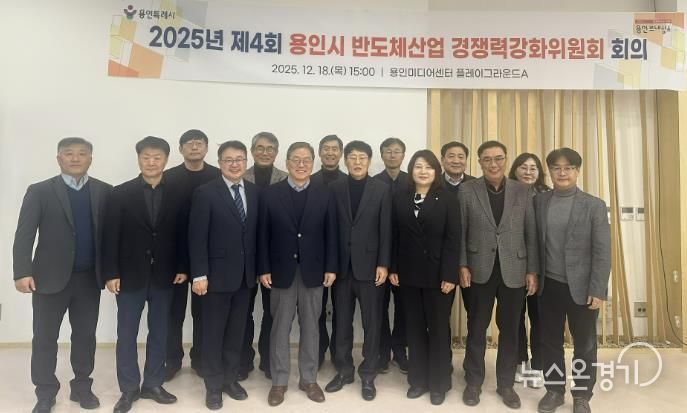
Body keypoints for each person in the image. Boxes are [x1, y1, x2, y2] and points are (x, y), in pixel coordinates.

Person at [13, 137, 111, 413]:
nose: (75, 158)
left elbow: (112, 235)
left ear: (90, 159)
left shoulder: (104, 191)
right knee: (45, 338)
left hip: (88, 279)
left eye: (82, 154)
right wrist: (22, 272)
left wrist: (112, 272)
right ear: (59, 159)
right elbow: (24, 235)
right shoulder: (40, 191)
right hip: (48, 279)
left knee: (85, 337)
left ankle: (82, 388)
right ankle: (45, 392)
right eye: (69, 154)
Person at [104, 136, 188, 413]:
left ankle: (153, 383)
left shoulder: (178, 192)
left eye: (157, 157)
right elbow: (110, 235)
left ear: (166, 160)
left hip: (166, 275)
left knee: (160, 331)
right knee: (127, 334)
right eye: (146, 157)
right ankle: (129, 388)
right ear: (138, 159)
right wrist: (111, 272)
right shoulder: (120, 193)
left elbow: (183, 234)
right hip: (129, 276)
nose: (151, 162)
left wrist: (183, 266)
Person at [459, 140, 539, 409]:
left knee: (510, 330)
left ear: (506, 160)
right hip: (478, 269)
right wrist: (462, 265)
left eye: (498, 158)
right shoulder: (467, 190)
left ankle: (506, 384)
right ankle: (473, 381)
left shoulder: (523, 190)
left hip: (514, 269)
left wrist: (532, 270)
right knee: (476, 327)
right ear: (479, 162)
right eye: (487, 159)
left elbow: (530, 233)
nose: (493, 164)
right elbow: (460, 231)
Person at [257, 142, 338, 407]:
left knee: (312, 327)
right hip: (280, 271)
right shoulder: (270, 194)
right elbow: (262, 235)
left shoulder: (325, 194)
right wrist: (263, 268)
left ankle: (309, 379)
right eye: (295, 159)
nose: (301, 164)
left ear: (313, 163)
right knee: (279, 327)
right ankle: (279, 381)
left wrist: (331, 266)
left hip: (314, 271)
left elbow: (332, 234)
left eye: (306, 160)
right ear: (287, 162)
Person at [535, 148, 610, 413]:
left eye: (568, 168)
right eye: (556, 168)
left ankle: (581, 395)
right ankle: (554, 391)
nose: (562, 172)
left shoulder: (594, 205)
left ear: (577, 171)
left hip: (583, 287)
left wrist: (598, 289)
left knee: (585, 345)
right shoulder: (540, 202)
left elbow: (602, 251)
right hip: (548, 285)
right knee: (550, 342)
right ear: (550, 172)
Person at [188, 141, 258, 410]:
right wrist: (199, 274)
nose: (235, 164)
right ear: (219, 163)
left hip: (245, 277)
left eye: (239, 159)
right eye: (229, 160)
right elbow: (197, 237)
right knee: (213, 334)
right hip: (214, 278)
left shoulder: (254, 191)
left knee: (236, 332)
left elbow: (254, 233)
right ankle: (213, 386)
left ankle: (230, 379)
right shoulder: (205, 193)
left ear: (246, 162)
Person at [389, 150, 460, 406]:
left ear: (436, 171)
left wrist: (450, 274)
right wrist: (393, 268)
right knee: (414, 328)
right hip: (408, 274)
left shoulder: (448, 198)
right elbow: (394, 236)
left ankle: (439, 383)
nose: (423, 171)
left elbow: (453, 239)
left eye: (428, 167)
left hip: (439, 276)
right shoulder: (400, 197)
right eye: (418, 166)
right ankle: (417, 380)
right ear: (411, 170)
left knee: (438, 329)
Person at [325, 141, 392, 401]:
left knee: (372, 324)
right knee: (341, 322)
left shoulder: (381, 189)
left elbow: (386, 229)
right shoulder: (335, 188)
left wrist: (383, 263)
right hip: (341, 269)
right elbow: (330, 230)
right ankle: (344, 371)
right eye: (352, 157)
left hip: (371, 267)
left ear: (369, 161)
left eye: (362, 157)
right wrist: (331, 266)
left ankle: (368, 374)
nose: (357, 162)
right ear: (345, 160)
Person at [164, 129, 220, 381]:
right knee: (173, 312)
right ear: (180, 149)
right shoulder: (168, 177)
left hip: (207, 257)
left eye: (199, 143)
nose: (194, 147)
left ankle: (200, 359)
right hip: (174, 255)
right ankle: (172, 360)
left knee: (204, 313)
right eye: (189, 143)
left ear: (206, 148)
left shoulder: (217, 176)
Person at [240, 131, 288, 381]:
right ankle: (243, 360)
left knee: (273, 312)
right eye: (260, 147)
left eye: (270, 148)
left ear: (277, 152)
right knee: (243, 311)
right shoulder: (238, 175)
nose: (265, 152)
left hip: (275, 256)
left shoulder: (287, 179)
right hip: (244, 256)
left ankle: (270, 360)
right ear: (252, 151)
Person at [508, 153, 551, 388]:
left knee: (540, 318)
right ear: (514, 170)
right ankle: (519, 362)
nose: (528, 171)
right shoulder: (506, 193)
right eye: (523, 167)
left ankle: (539, 365)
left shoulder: (548, 196)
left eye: (533, 168)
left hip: (543, 266)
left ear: (539, 172)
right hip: (512, 264)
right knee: (515, 317)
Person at [373, 137, 409, 374]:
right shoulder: (374, 183)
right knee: (379, 306)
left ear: (403, 155)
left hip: (406, 255)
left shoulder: (413, 181)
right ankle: (383, 352)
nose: (392, 155)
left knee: (404, 307)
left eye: (397, 151)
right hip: (379, 256)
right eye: (388, 151)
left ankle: (400, 350)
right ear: (382, 155)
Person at [310, 134, 345, 366]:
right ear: (319, 153)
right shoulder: (308, 180)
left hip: (345, 256)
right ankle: (318, 351)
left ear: (341, 153)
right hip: (315, 256)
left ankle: (339, 354)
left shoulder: (350, 180)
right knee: (317, 310)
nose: (330, 152)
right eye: (326, 148)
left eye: (334, 149)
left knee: (342, 310)